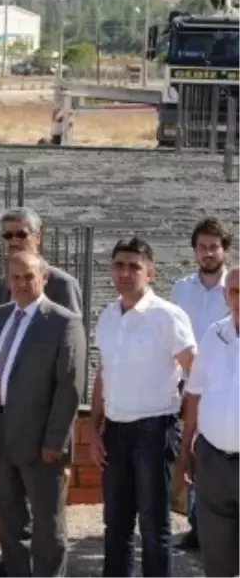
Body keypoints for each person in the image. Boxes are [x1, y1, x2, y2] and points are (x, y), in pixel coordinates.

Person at [0, 252, 85, 578]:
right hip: (1, 430)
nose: (21, 284)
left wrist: (55, 440)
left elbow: (69, 387)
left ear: (44, 279)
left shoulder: (63, 321)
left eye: (28, 277)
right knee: (9, 516)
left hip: (41, 438)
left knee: (48, 523)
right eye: (15, 277)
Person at [89, 237, 195, 578]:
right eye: (119, 265)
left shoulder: (167, 316)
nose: (125, 272)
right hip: (115, 431)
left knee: (153, 527)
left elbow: (196, 373)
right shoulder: (107, 315)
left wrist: (187, 430)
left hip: (154, 430)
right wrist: (94, 430)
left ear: (150, 272)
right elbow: (103, 374)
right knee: (115, 523)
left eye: (134, 266)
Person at [170, 217, 232, 552]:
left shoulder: (234, 287)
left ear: (225, 249)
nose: (207, 253)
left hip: (225, 387)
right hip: (188, 386)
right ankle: (197, 526)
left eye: (213, 246)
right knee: (193, 454)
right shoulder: (181, 289)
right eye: (202, 247)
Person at [177, 266, 240, 578]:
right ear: (226, 295)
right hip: (213, 459)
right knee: (216, 555)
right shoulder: (214, 334)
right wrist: (187, 443)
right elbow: (195, 393)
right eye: (235, 291)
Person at [0, 208, 83, 315]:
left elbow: (71, 327)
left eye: (21, 234)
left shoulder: (62, 284)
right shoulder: (1, 286)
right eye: (8, 236)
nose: (14, 241)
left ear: (37, 237)